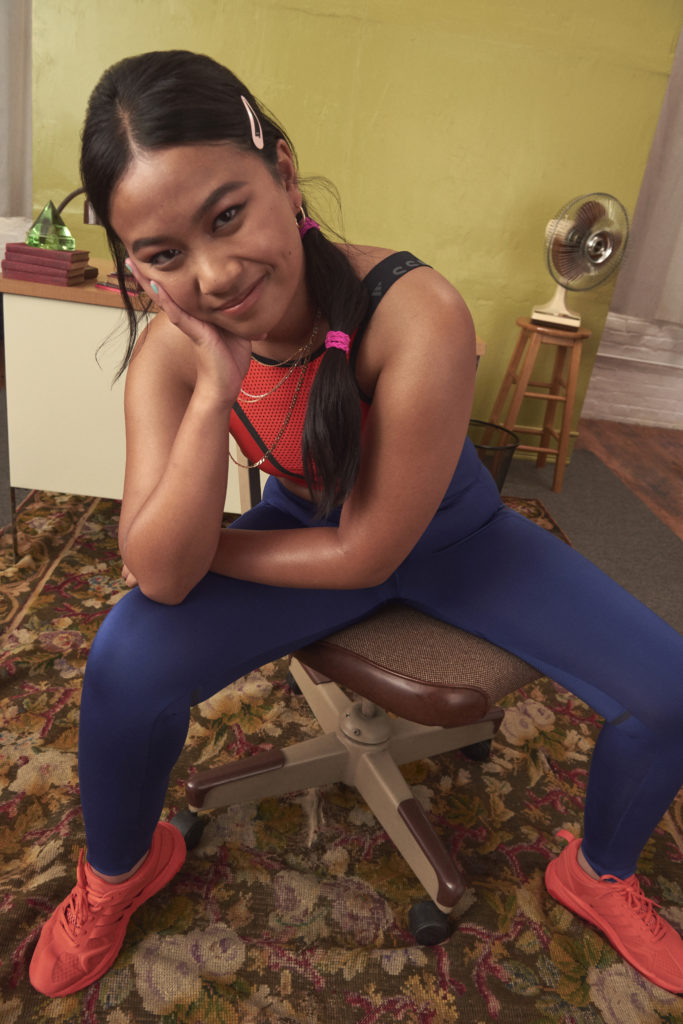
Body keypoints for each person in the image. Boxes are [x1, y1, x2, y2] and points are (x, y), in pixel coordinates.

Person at [29, 50, 683, 998]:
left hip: (456, 538)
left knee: (670, 689)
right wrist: (213, 392)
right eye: (164, 255)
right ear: (135, 263)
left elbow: (362, 551)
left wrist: (196, 549)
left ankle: (598, 874)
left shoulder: (416, 311)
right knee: (123, 660)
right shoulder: (174, 352)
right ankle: (121, 874)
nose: (214, 275)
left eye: (227, 215)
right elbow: (160, 577)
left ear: (283, 171)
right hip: (310, 525)